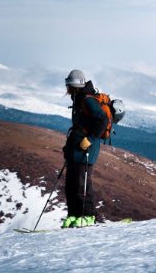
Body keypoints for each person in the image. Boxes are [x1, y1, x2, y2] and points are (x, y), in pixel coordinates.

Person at [61, 69, 109, 228]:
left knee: (83, 184)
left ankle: (88, 216)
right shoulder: (78, 98)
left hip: (86, 149)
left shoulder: (88, 100)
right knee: (71, 184)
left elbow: (102, 120)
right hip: (76, 149)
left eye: (69, 85)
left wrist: (90, 139)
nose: (67, 89)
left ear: (75, 85)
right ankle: (74, 215)